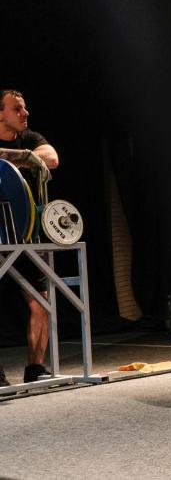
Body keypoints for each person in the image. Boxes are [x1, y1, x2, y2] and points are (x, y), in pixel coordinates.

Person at [0, 89, 59, 384]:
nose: (25, 113)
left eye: (24, 108)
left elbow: (52, 159)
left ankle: (35, 369)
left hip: (26, 234)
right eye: (17, 109)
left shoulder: (30, 138)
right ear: (0, 114)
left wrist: (17, 156)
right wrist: (24, 160)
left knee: (41, 302)